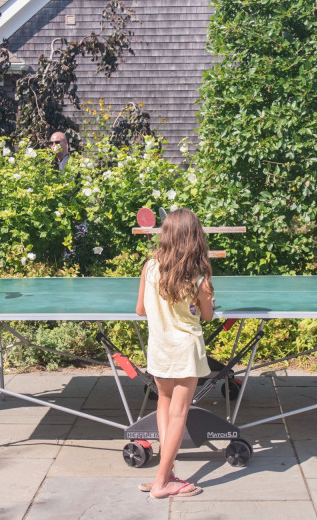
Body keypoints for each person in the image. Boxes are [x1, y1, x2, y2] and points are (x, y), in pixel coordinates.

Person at [135, 208, 214, 499]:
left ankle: (165, 473)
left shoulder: (149, 267)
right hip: (185, 352)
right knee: (179, 413)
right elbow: (207, 316)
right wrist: (207, 300)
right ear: (195, 237)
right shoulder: (198, 275)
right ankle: (161, 483)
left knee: (163, 405)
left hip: (159, 348)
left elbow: (140, 310)